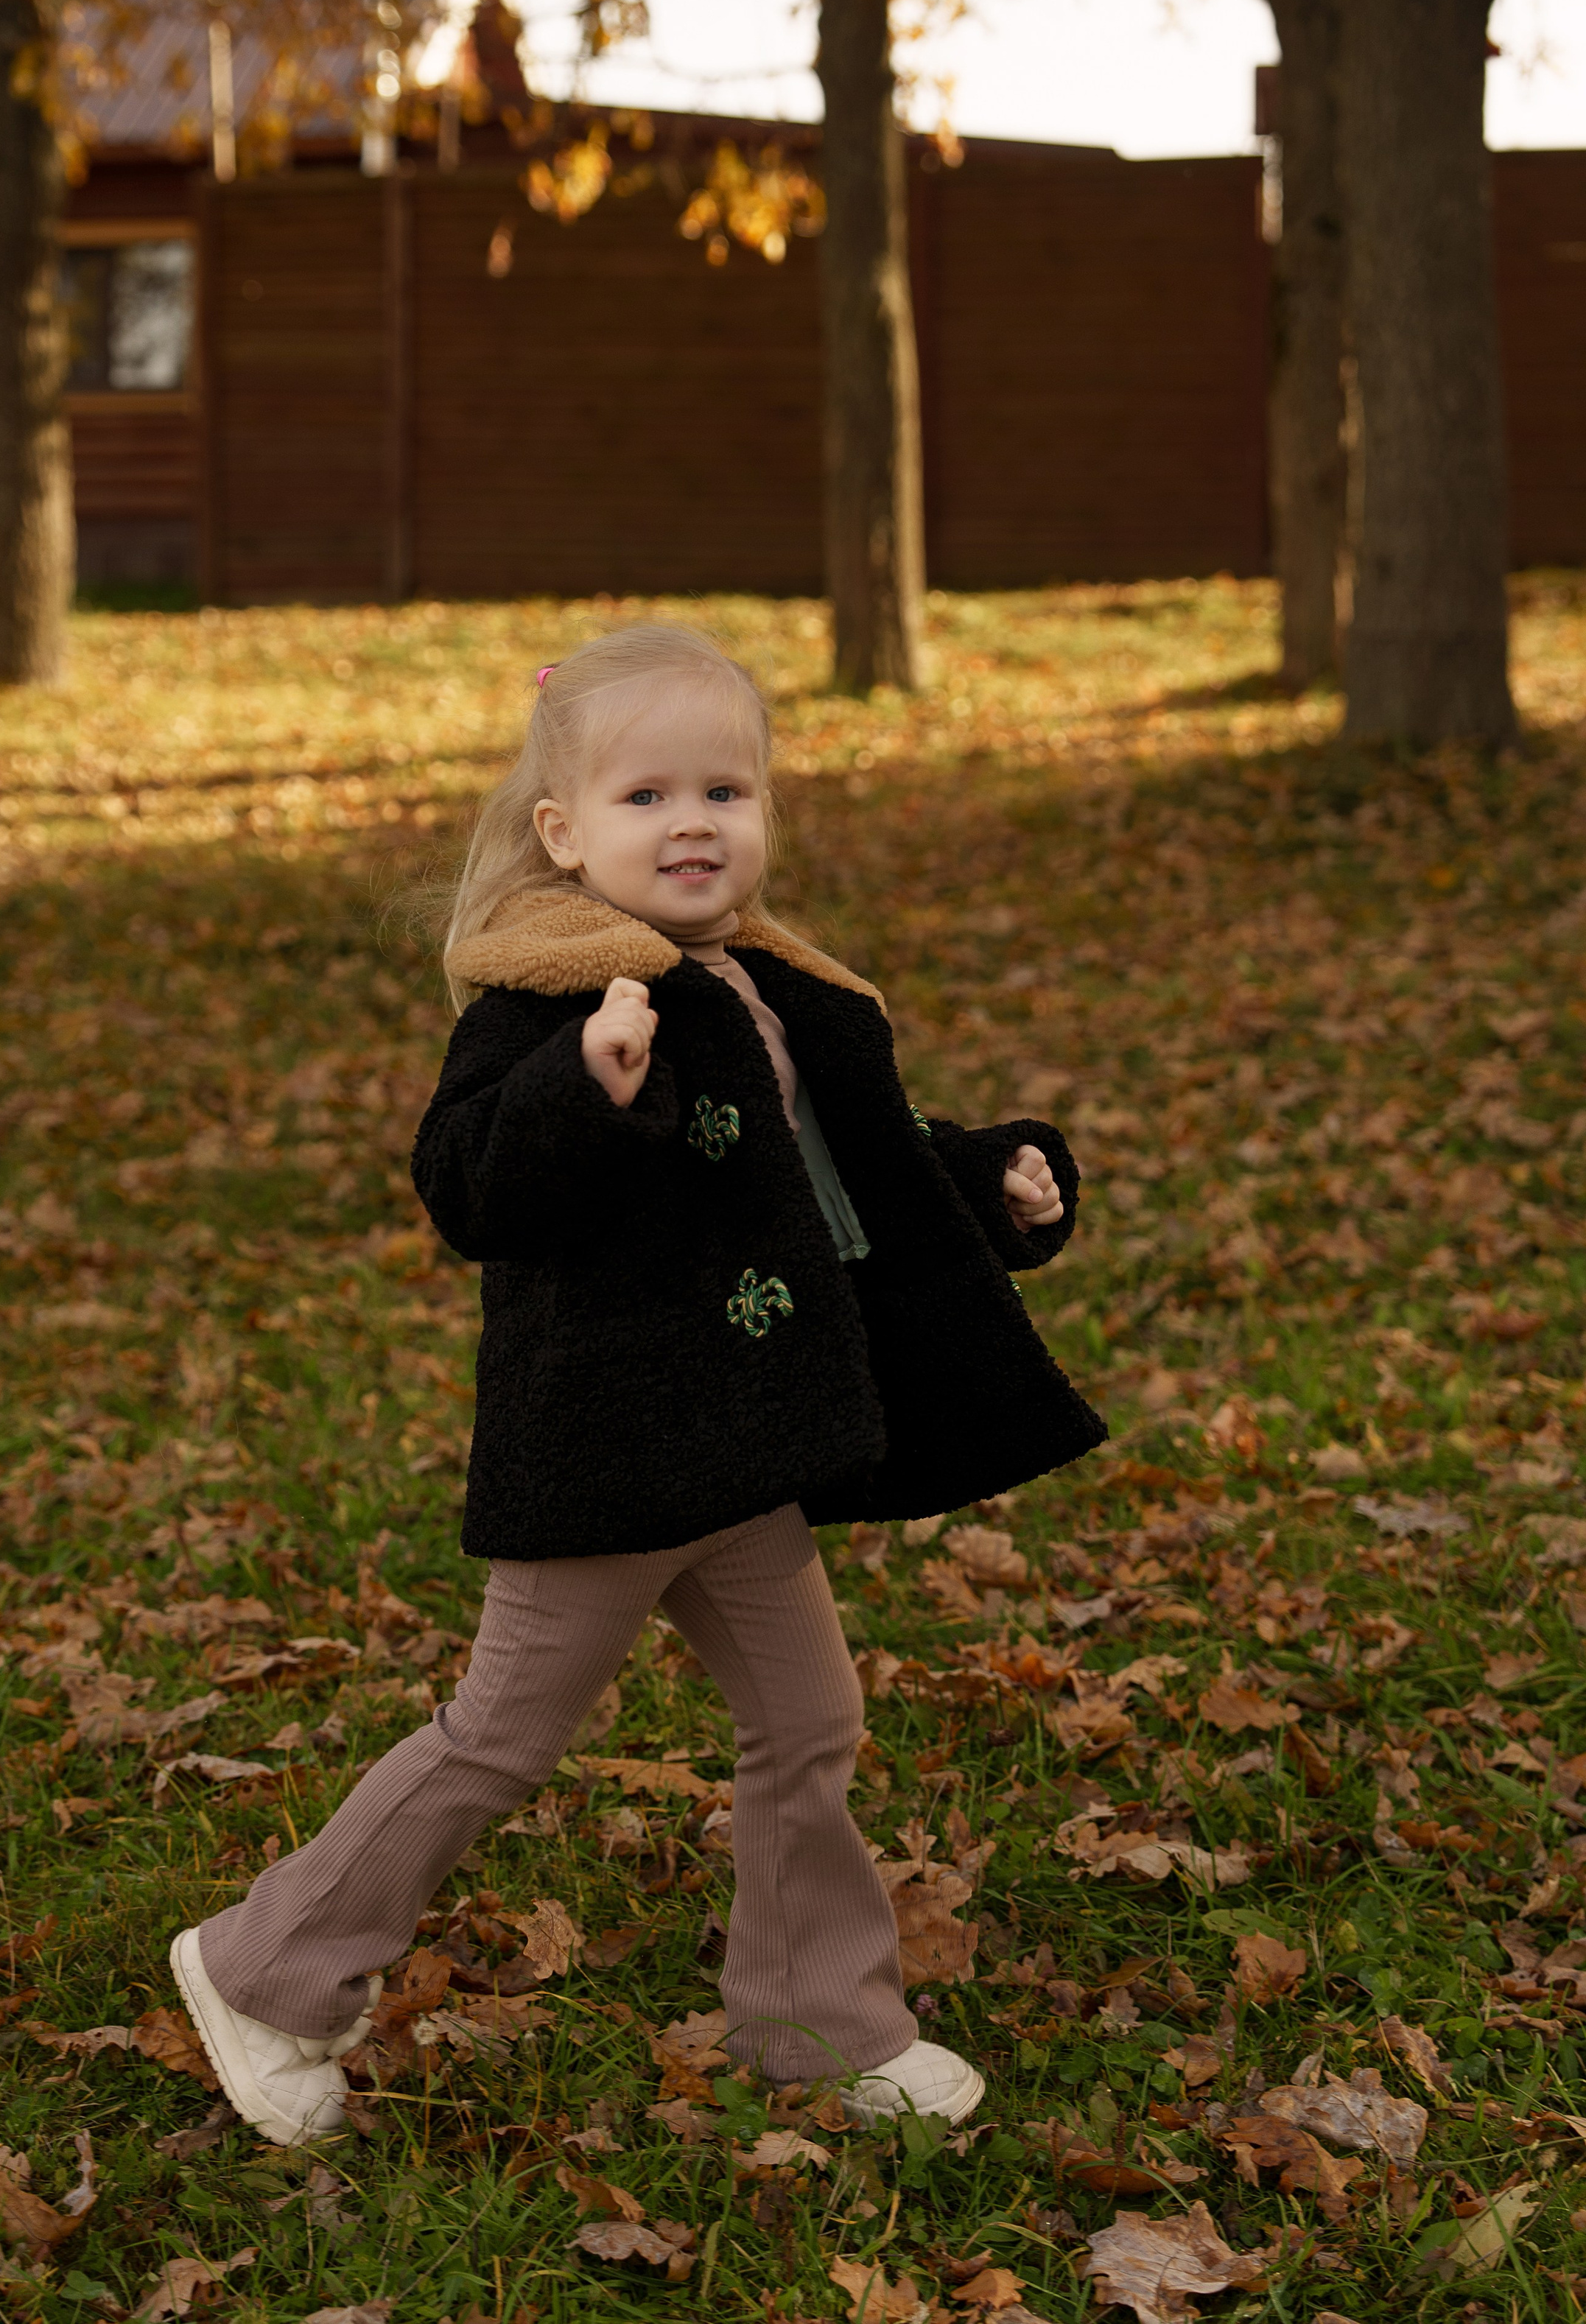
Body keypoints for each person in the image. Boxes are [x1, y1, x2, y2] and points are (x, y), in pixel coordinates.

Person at [172, 622, 1106, 2146]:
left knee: (807, 1725)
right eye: (645, 797)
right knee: (498, 1734)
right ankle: (261, 1966)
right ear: (562, 836)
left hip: (743, 1448)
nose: (691, 823)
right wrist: (580, 1094)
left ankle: (816, 2021)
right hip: (607, 1452)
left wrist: (986, 1181)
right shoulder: (547, 1005)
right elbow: (467, 1183)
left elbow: (830, 1173)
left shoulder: (775, 992)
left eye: (724, 793)